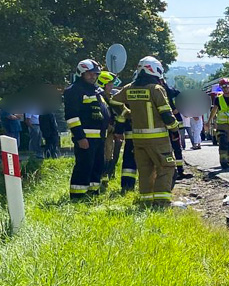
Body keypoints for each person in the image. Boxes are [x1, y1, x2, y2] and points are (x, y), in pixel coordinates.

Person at [111, 57, 179, 206]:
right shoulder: (156, 89)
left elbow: (114, 101)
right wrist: (175, 129)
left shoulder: (129, 88)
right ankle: (161, 202)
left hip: (138, 139)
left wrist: (126, 113)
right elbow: (166, 114)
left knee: (145, 169)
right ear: (155, 70)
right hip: (158, 139)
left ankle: (146, 202)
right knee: (166, 167)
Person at [64, 59, 111, 199]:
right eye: (90, 74)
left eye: (95, 74)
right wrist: (80, 137)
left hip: (99, 137)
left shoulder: (96, 90)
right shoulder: (74, 90)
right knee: (84, 165)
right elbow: (72, 117)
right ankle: (77, 196)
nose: (93, 77)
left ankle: (93, 193)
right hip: (86, 137)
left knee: (97, 165)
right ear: (81, 73)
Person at [161, 80, 192, 181]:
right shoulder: (159, 90)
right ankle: (173, 171)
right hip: (165, 124)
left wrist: (177, 108)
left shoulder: (168, 90)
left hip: (173, 124)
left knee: (176, 148)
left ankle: (179, 170)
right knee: (169, 149)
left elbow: (182, 96)